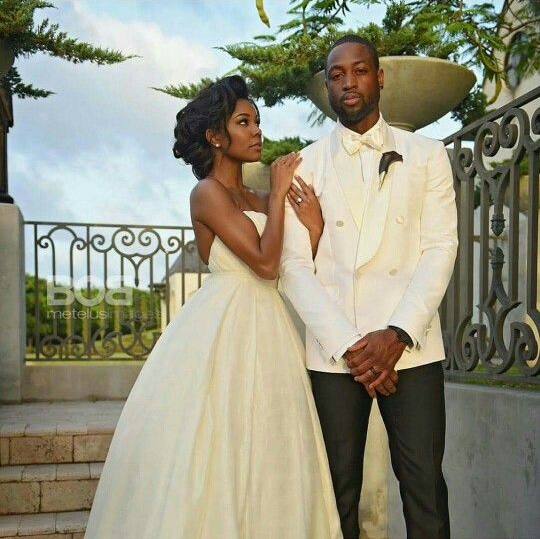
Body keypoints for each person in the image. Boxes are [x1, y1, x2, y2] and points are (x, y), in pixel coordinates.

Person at [84, 75, 343, 539]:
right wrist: (280, 195)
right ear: (215, 137)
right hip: (224, 327)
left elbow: (292, 268)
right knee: (220, 442)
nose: (257, 130)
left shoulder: (259, 198)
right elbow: (264, 263)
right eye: (244, 122)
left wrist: (315, 228)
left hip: (274, 328)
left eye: (257, 121)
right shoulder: (207, 194)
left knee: (271, 441)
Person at [279, 35, 458, 539]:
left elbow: (440, 248)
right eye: (337, 75)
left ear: (379, 78)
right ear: (328, 88)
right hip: (336, 352)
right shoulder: (304, 164)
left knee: (424, 487)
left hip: (411, 348)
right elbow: (294, 266)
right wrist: (352, 346)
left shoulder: (427, 155)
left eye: (359, 71)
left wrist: (396, 334)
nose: (348, 82)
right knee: (336, 491)